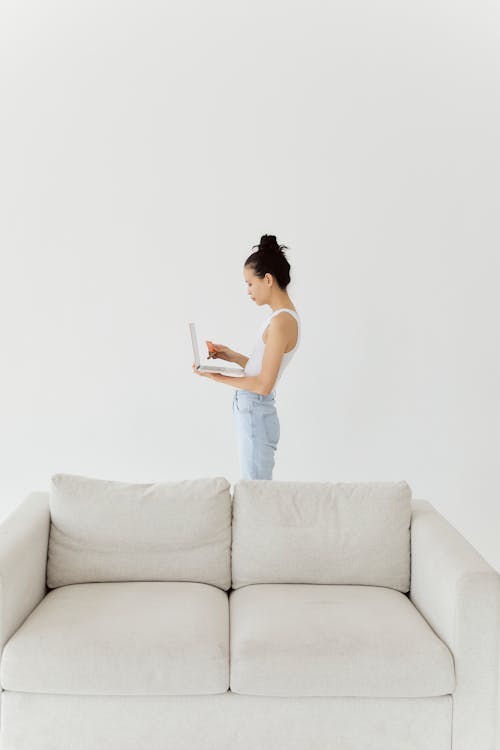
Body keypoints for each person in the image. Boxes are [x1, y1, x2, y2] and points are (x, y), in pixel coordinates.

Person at [192, 233, 301, 479]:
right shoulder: (282, 317)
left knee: (255, 492)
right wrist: (232, 357)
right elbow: (263, 369)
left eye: (250, 283)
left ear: (269, 279)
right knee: (256, 488)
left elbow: (263, 385)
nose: (248, 291)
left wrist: (216, 377)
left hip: (256, 411)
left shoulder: (282, 321)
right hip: (256, 413)